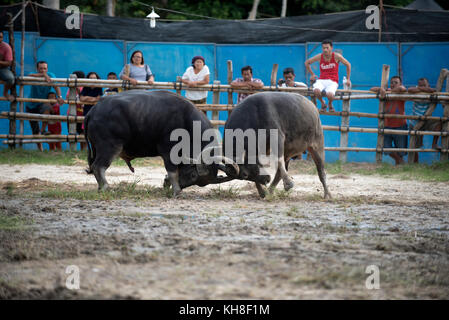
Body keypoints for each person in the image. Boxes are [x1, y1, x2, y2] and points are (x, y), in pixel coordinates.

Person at [26, 61, 64, 151]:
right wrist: (44, 75)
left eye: (45, 68)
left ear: (47, 69)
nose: (43, 70)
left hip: (43, 103)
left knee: (47, 107)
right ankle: (40, 149)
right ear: (37, 69)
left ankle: (43, 129)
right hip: (31, 105)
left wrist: (59, 97)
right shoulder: (33, 74)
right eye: (41, 68)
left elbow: (56, 86)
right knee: (35, 129)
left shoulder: (51, 75)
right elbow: (29, 76)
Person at [304, 39, 351, 112]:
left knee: (330, 94)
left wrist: (348, 79)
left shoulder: (336, 56)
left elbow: (348, 65)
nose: (325, 50)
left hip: (333, 81)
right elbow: (307, 63)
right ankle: (323, 103)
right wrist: (312, 74)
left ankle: (330, 104)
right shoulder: (320, 56)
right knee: (316, 90)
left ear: (331, 48)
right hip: (321, 80)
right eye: (323, 48)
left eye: (327, 48)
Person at [370, 75, 407, 165]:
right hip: (387, 125)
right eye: (392, 82)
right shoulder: (385, 92)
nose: (393, 84)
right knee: (385, 147)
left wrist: (389, 91)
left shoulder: (401, 93)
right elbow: (371, 89)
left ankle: (399, 164)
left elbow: (402, 89)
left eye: (396, 82)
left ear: (400, 83)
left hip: (400, 125)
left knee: (401, 149)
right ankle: (399, 161)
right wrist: (381, 89)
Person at [408, 77, 442, 163]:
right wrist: (421, 89)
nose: (422, 87)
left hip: (427, 120)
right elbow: (410, 89)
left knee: (439, 124)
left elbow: (433, 90)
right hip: (415, 121)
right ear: (417, 86)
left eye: (424, 85)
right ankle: (415, 163)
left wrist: (422, 89)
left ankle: (434, 144)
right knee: (415, 146)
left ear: (428, 85)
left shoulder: (431, 93)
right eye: (420, 85)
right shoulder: (416, 92)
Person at [0, 30, 15, 102]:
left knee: (10, 78)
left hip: (2, 69)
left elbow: (9, 63)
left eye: (1, 37)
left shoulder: (6, 47)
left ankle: (5, 93)